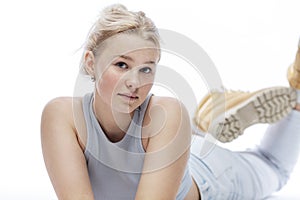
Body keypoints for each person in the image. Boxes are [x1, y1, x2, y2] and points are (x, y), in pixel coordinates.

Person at [40, 4, 300, 200]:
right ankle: (202, 125)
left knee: (273, 168)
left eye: (146, 69)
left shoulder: (166, 112)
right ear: (90, 62)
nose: (135, 82)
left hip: (208, 176)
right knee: (184, 135)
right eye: (121, 65)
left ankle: (297, 95)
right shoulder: (61, 115)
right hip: (171, 148)